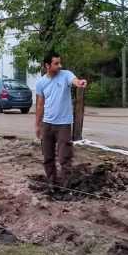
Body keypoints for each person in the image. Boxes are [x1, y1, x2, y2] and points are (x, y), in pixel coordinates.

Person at [35, 51, 87, 185]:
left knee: (65, 157)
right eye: (56, 63)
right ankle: (51, 182)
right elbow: (40, 105)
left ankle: (66, 185)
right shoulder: (41, 82)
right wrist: (37, 125)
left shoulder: (66, 75)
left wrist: (79, 82)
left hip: (63, 124)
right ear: (47, 65)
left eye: (60, 63)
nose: (60, 66)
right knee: (48, 157)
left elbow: (74, 80)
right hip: (47, 124)